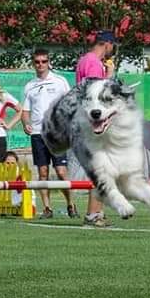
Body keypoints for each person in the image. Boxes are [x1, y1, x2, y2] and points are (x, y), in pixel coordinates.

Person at [21, 48, 76, 219]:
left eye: (44, 61)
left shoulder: (60, 81)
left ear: (48, 62)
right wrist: (26, 123)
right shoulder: (30, 86)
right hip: (38, 134)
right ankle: (47, 208)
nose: (40, 65)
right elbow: (25, 110)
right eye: (37, 62)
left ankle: (70, 203)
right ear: (33, 64)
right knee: (43, 172)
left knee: (61, 172)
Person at [74, 30, 117, 227]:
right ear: (107, 44)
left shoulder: (85, 60)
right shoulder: (93, 63)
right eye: (112, 47)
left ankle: (97, 212)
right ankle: (93, 214)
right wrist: (109, 75)